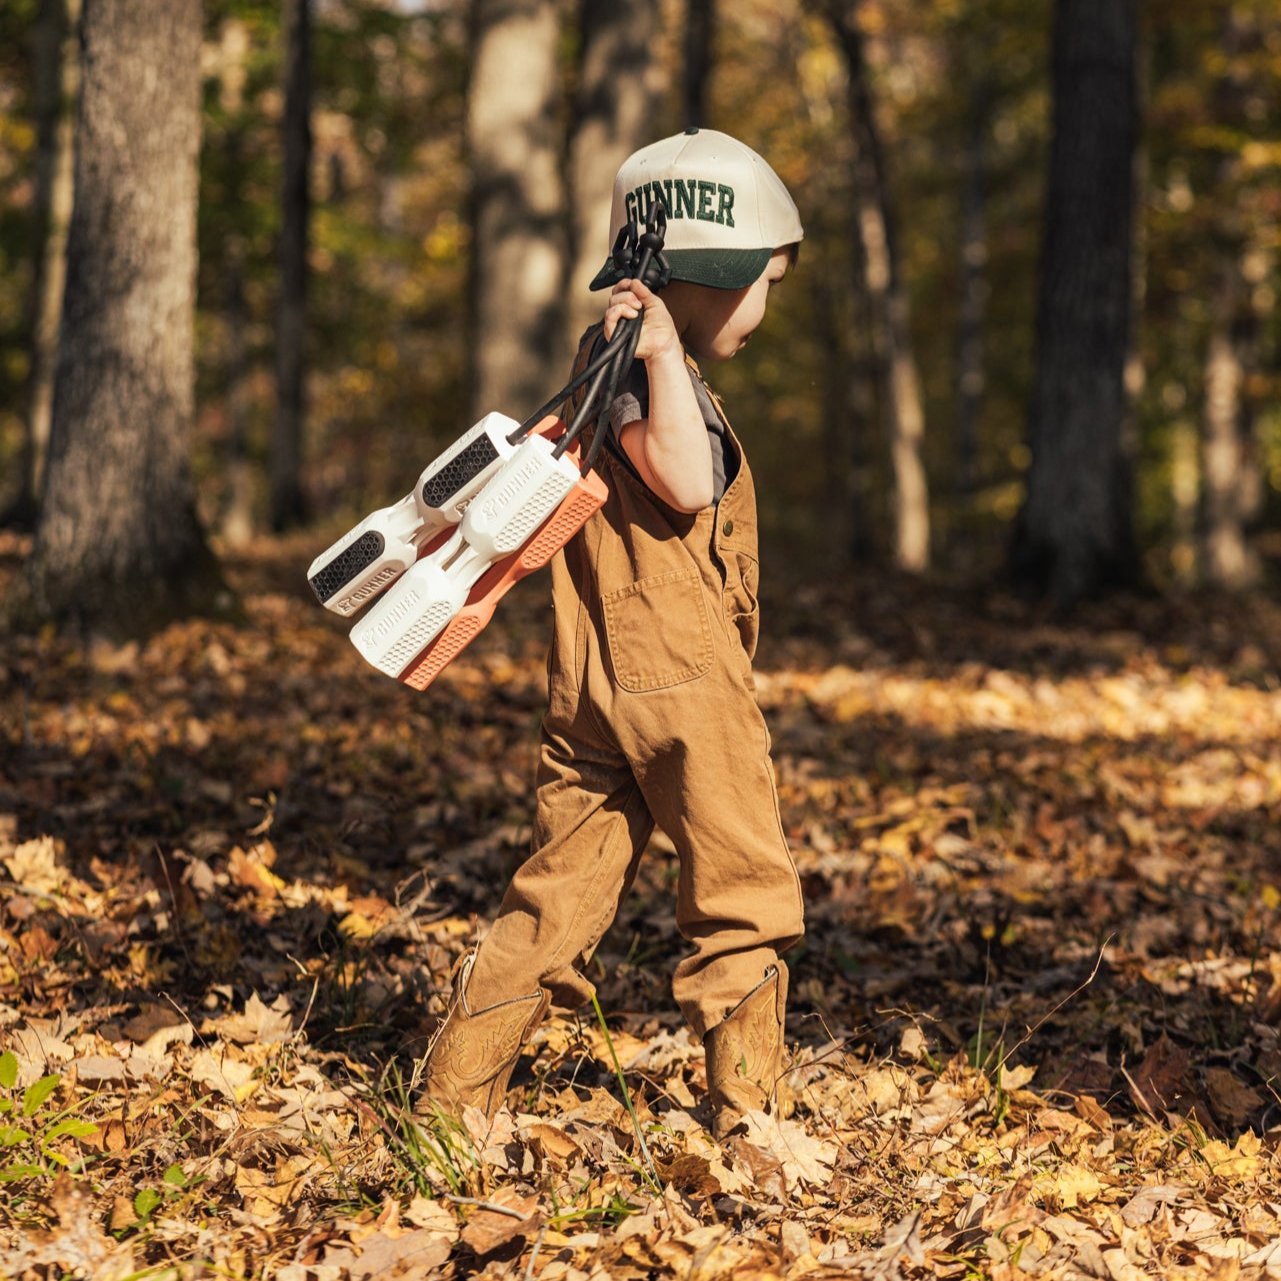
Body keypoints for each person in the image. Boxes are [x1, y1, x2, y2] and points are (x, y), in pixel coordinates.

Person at [416, 128, 806, 1140]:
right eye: (765, 279)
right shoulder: (649, 365)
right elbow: (679, 482)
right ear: (707, 279)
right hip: (679, 681)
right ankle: (751, 1120)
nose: (770, 304)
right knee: (742, 886)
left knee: (555, 897)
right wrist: (670, 354)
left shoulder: (610, 359)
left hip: (591, 681)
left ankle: (452, 1108)